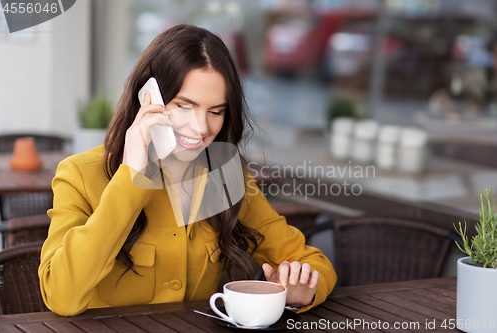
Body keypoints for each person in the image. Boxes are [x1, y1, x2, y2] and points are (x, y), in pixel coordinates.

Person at [39, 24, 337, 316]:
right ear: (148, 100)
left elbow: (313, 263)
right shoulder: (80, 174)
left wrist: (301, 290)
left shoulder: (224, 176)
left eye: (216, 111)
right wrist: (132, 177)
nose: (201, 127)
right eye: (184, 106)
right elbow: (61, 296)